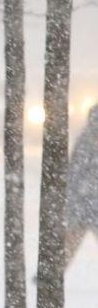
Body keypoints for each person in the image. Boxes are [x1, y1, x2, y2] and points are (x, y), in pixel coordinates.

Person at [66, 105, 98, 268]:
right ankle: (50, 276)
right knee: (69, 241)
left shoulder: (84, 140)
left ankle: (50, 276)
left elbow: (74, 171)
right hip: (84, 201)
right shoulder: (86, 143)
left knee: (68, 242)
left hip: (82, 202)